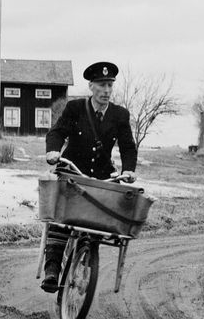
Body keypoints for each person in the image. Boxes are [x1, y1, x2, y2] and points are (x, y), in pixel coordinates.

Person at [40, 61, 137, 292]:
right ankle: (52, 269)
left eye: (110, 85)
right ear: (91, 86)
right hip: (73, 171)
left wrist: (129, 170)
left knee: (98, 222)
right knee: (61, 218)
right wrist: (53, 152)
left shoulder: (120, 115)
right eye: (102, 85)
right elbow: (57, 132)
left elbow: (128, 147)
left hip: (101, 178)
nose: (106, 90)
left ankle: (86, 257)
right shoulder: (75, 108)